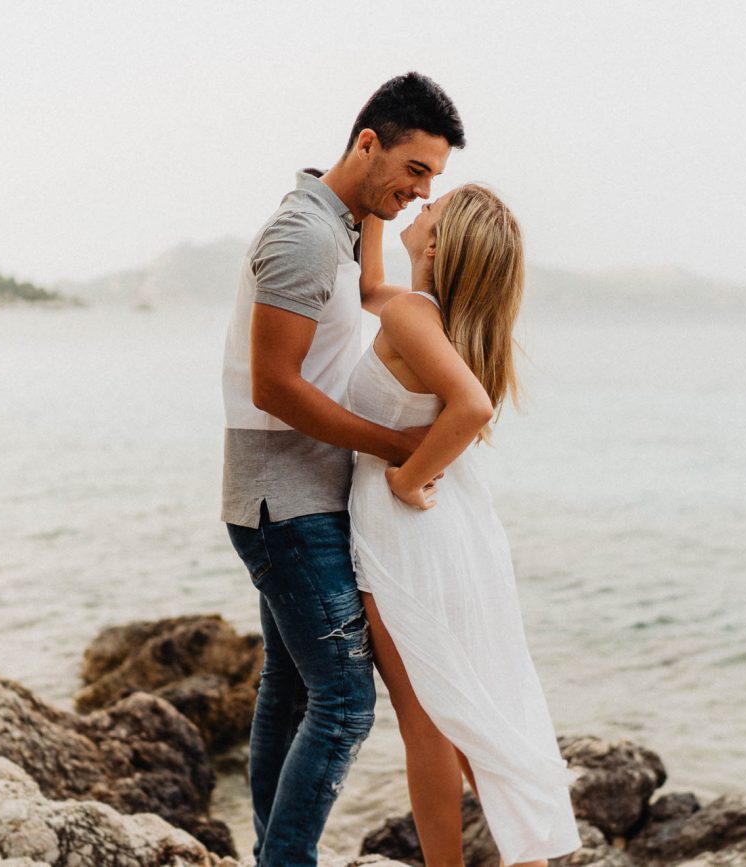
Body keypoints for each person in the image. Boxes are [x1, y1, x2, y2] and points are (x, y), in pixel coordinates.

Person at [220, 72, 465, 867]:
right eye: (417, 170)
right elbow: (275, 385)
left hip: (295, 494)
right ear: (369, 142)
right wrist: (401, 447)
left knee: (291, 691)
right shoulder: (302, 234)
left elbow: (366, 292)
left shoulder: (334, 221)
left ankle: (271, 853)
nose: (424, 191)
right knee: (347, 703)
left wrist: (375, 213)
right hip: (282, 500)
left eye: (435, 177)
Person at [347, 184, 581, 866]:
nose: (419, 209)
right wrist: (367, 208)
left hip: (407, 535)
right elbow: (368, 288)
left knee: (428, 727)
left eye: (431, 209)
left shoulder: (417, 315)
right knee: (473, 712)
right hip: (457, 534)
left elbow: (471, 408)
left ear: (442, 244)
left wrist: (406, 475)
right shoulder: (432, 319)